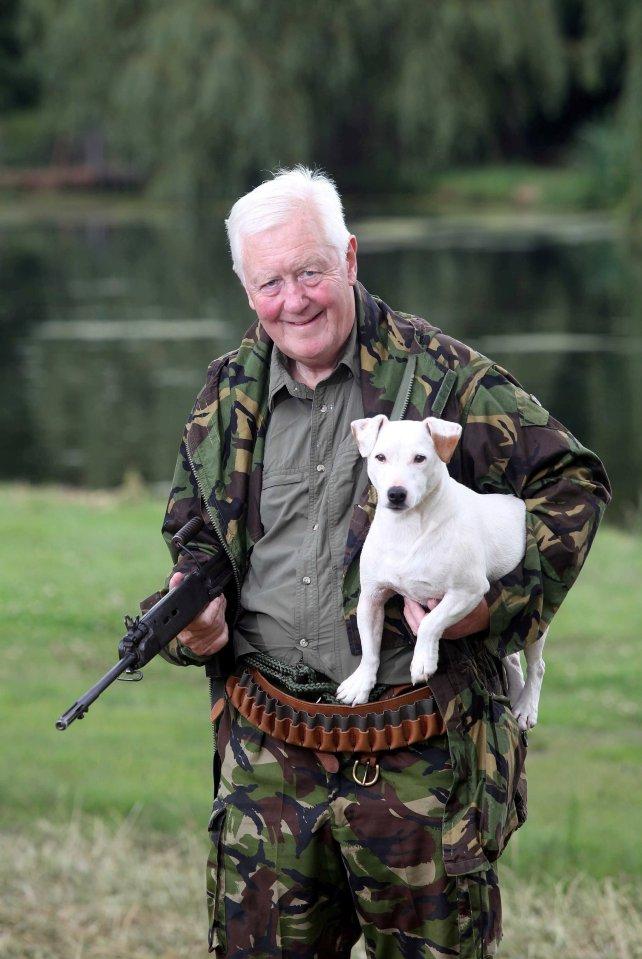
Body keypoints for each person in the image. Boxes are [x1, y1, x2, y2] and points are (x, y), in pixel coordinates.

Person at [160, 167, 610, 959]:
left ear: (349, 258)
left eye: (310, 271)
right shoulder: (229, 391)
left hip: (418, 763)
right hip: (266, 763)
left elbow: (571, 483)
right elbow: (195, 526)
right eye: (270, 282)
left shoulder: (444, 377)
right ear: (246, 289)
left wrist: (493, 608)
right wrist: (195, 608)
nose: (294, 300)